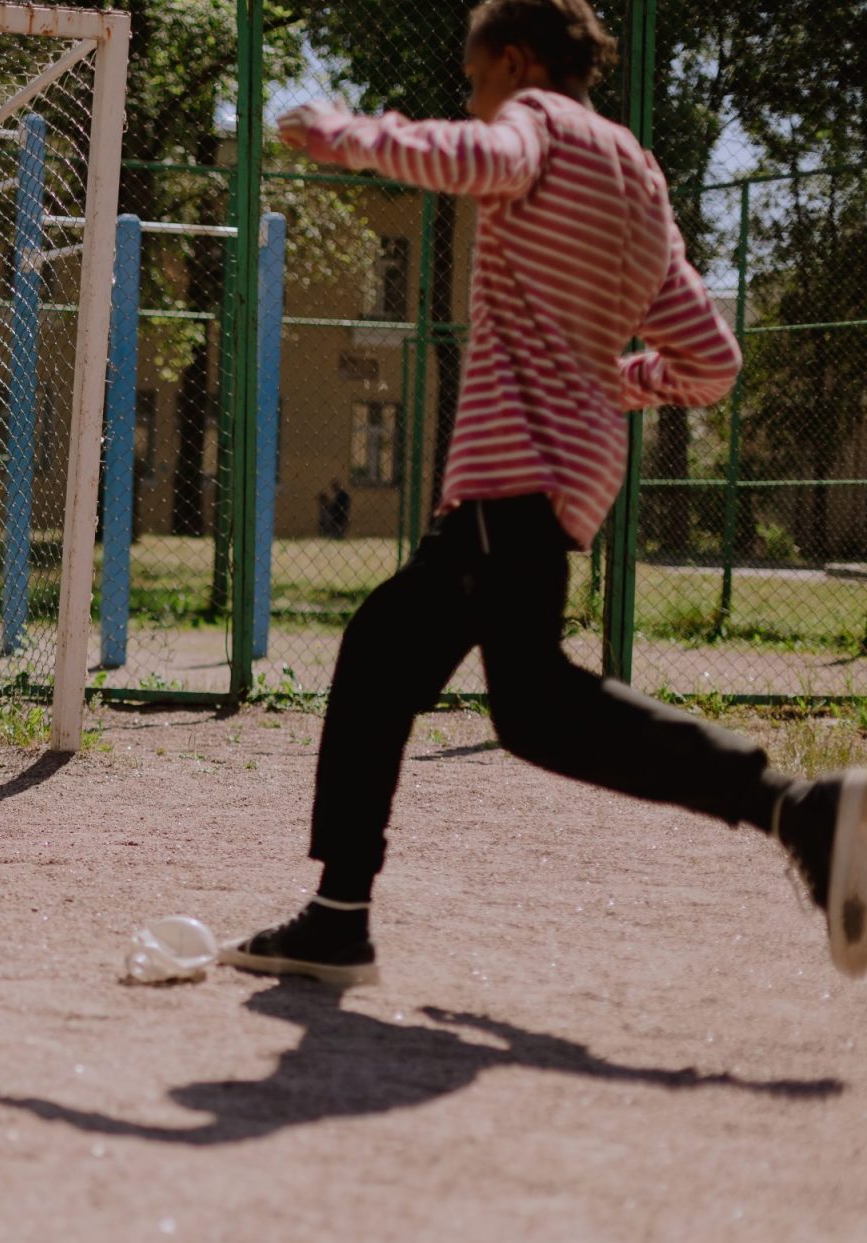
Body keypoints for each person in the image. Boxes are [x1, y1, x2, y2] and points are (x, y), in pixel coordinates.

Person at [219, 0, 867, 987]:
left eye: (476, 83)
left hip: (509, 469)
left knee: (485, 690)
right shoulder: (636, 173)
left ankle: (793, 806)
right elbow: (711, 357)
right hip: (564, 476)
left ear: (516, 63)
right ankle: (337, 916)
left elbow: (488, 159)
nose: (475, 105)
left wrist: (348, 137)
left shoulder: (537, 127)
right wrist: (617, 381)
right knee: (447, 679)